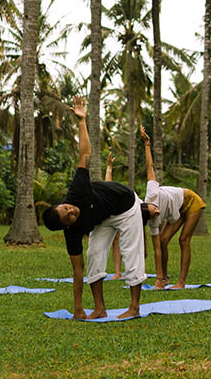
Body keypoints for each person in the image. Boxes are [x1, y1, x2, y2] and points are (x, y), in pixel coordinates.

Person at [42, 97, 146, 319]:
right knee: (95, 255)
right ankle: (99, 308)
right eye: (68, 217)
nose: (72, 211)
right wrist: (78, 308)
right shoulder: (72, 234)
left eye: (68, 208)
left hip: (126, 205)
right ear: (66, 227)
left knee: (130, 252)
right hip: (103, 218)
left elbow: (85, 155)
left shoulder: (77, 190)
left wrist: (81, 121)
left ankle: (134, 307)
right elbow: (77, 271)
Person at [141, 126, 206, 290]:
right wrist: (158, 278)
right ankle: (164, 279)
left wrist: (147, 144)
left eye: (155, 208)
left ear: (149, 203)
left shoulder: (152, 192)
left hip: (191, 201)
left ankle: (181, 283)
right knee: (162, 241)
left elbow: (150, 167)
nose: (158, 212)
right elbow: (156, 250)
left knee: (184, 240)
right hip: (178, 212)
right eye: (155, 214)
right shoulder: (152, 223)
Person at [104, 151, 123, 279]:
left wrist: (109, 168)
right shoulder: (103, 198)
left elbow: (108, 184)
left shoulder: (118, 198)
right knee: (115, 242)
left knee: (123, 242)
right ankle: (118, 272)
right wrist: (109, 167)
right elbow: (107, 183)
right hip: (112, 217)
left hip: (126, 215)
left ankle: (120, 272)